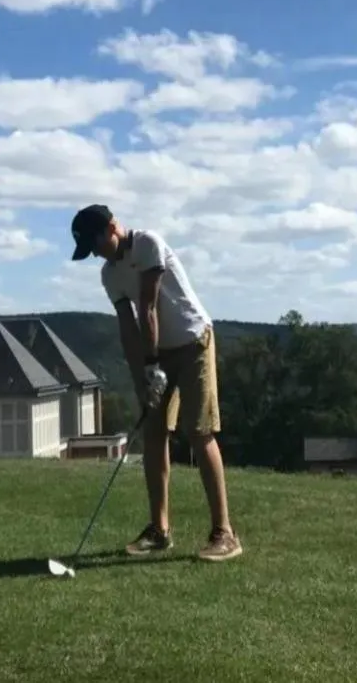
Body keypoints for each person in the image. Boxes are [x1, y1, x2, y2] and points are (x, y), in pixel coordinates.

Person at [70, 203, 243, 563]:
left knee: (199, 432)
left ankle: (224, 533)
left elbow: (148, 306)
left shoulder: (147, 243)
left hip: (194, 341)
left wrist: (152, 365)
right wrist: (141, 379)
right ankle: (159, 530)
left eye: (96, 243)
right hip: (158, 352)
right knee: (154, 433)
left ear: (112, 228)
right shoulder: (109, 275)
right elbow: (128, 328)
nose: (96, 253)